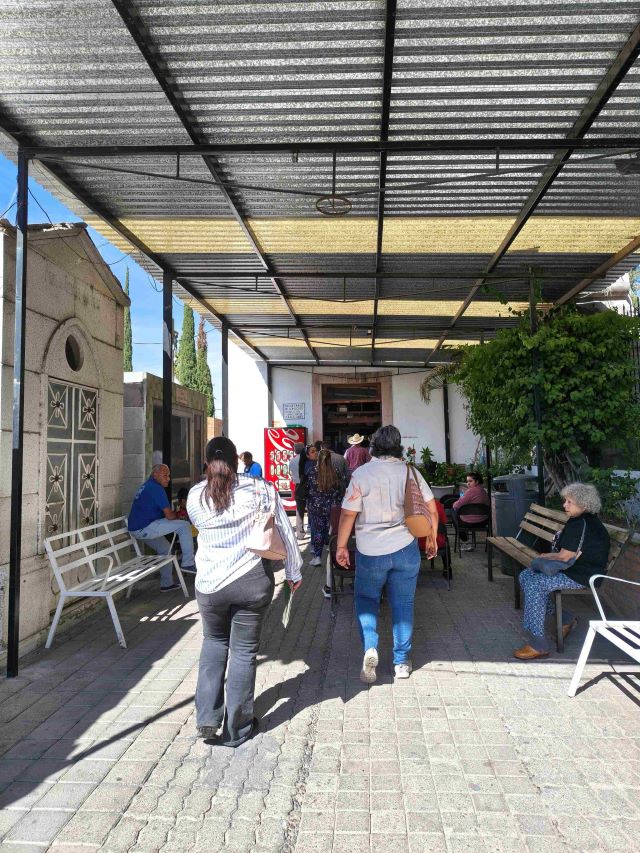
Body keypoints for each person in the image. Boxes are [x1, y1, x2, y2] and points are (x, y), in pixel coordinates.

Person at [187, 437, 303, 746]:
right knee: (243, 652)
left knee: (214, 643)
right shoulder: (261, 489)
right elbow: (283, 531)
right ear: (237, 461)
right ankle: (237, 729)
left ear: (207, 462)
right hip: (251, 582)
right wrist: (294, 572)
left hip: (209, 585)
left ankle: (207, 718)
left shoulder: (194, 496)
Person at [336, 425, 439, 682]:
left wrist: (341, 546)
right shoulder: (410, 471)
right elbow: (431, 507)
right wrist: (431, 538)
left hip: (370, 550)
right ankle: (401, 662)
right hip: (405, 547)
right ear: (398, 446)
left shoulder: (361, 474)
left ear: (373, 447)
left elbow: (348, 513)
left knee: (366, 601)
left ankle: (370, 647)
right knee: (403, 604)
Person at [514, 482, 610, 660]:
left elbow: (565, 557)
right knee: (525, 575)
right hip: (577, 569)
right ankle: (565, 618)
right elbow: (567, 554)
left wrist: (546, 557)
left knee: (535, 584)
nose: (565, 505)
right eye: (565, 500)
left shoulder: (579, 523)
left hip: (582, 575)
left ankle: (538, 645)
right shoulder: (586, 520)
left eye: (569, 502)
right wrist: (547, 556)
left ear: (583, 504)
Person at [127, 464, 196, 590]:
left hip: (139, 528)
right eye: (165, 475)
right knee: (184, 526)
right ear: (155, 475)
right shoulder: (156, 488)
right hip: (144, 528)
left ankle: (166, 584)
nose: (168, 479)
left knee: (165, 549)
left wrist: (175, 515)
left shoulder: (148, 485)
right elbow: (169, 516)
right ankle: (188, 563)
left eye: (168, 475)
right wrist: (178, 515)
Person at [306, 448, 342, 567]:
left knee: (318, 532)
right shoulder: (335, 471)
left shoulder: (312, 471)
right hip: (332, 506)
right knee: (332, 530)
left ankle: (317, 556)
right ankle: (333, 554)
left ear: (319, 459)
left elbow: (309, 490)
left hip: (316, 507)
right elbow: (339, 489)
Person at [452, 471, 490, 551]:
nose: (468, 483)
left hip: (468, 522)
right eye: (467, 481)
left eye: (470, 481)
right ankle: (467, 540)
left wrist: (455, 504)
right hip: (483, 522)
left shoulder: (471, 491)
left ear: (477, 481)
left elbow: (456, 505)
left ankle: (465, 541)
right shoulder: (483, 491)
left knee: (453, 512)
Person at [288, 441, 307, 540]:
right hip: (308, 486)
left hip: (298, 487)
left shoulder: (292, 461)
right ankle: (312, 528)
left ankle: (300, 533)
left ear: (295, 450)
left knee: (299, 512)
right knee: (312, 510)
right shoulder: (308, 460)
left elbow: (292, 474)